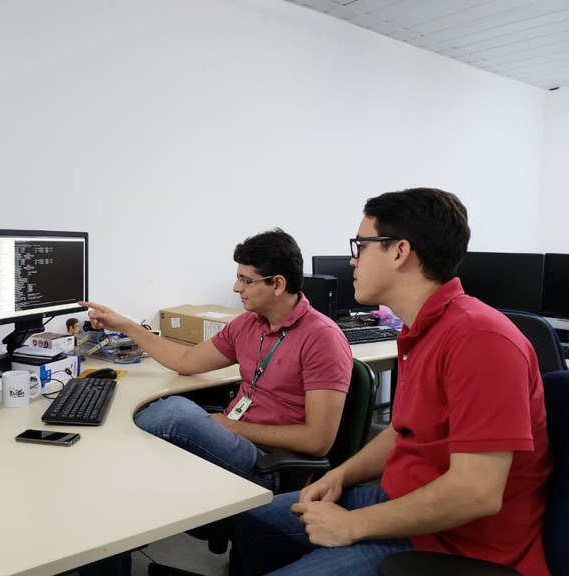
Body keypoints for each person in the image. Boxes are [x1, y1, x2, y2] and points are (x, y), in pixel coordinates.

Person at [233, 188, 552, 576]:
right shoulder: (422, 329)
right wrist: (339, 475)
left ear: (400, 252)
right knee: (253, 521)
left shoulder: (480, 339)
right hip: (404, 500)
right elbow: (403, 430)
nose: (353, 260)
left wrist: (352, 525)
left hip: (457, 544)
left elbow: (476, 493)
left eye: (361, 246)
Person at [81, 228, 352, 492]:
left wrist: (231, 426)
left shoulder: (322, 338)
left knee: (174, 413)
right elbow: (186, 360)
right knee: (159, 417)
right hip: (234, 436)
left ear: (278, 284)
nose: (236, 288)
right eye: (238, 278)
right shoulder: (249, 323)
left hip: (270, 464)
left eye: (246, 281)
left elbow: (317, 441)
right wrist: (126, 326)